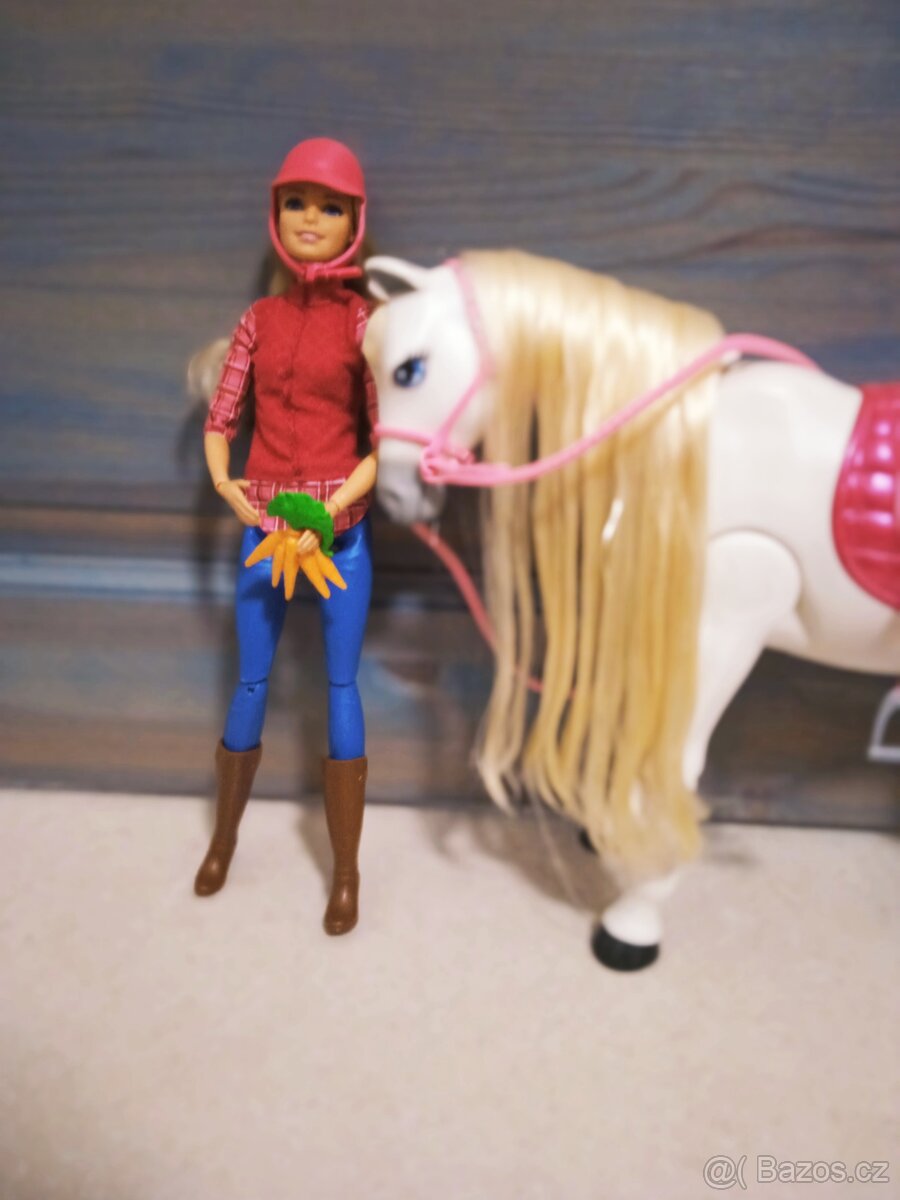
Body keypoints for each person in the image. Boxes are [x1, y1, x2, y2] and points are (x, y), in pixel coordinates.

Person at [195, 138, 378, 936]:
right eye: (297, 202)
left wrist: (337, 504)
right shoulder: (259, 321)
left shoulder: (365, 324)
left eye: (329, 206)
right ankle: (223, 840)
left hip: (339, 543)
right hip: (266, 536)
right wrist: (225, 484)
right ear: (276, 214)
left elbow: (385, 441)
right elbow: (222, 419)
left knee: (341, 687)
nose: (311, 218)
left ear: (353, 222)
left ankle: (346, 873)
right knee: (251, 683)